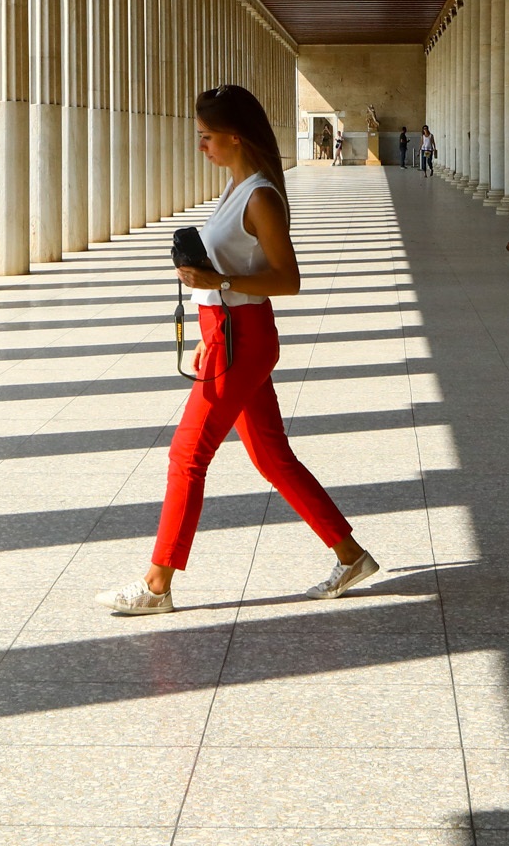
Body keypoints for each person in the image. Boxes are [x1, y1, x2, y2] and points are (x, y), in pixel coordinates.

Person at [97, 85, 377, 615]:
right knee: (272, 456)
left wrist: (216, 279)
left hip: (242, 337)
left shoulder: (261, 196)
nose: (200, 145)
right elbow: (233, 277)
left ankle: (157, 585)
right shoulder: (236, 187)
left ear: (233, 136)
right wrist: (208, 312)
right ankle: (350, 554)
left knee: (187, 454)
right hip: (225, 333)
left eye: (206, 137)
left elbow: (289, 280)